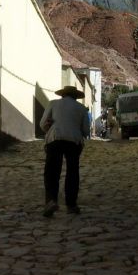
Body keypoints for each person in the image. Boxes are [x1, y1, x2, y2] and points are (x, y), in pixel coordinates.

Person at [40, 85, 90, 217]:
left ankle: (51, 201)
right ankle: (71, 205)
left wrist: (49, 127)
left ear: (62, 95)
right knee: (72, 171)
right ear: (76, 97)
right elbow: (86, 131)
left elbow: (42, 124)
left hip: (55, 139)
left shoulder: (53, 104)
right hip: (73, 141)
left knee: (52, 171)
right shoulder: (81, 109)